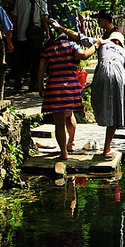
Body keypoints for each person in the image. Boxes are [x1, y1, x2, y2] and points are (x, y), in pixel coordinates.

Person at [37, 30, 97, 160]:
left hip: (53, 85)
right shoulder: (71, 45)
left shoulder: (48, 50)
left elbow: (41, 69)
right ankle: (72, 142)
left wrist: (40, 86)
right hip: (70, 84)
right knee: (69, 115)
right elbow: (84, 55)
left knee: (58, 123)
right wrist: (96, 45)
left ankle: (63, 153)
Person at [91, 30, 125, 159]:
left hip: (103, 73)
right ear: (121, 43)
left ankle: (102, 118)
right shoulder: (124, 52)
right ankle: (107, 148)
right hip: (120, 75)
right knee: (116, 110)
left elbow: (81, 38)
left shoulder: (102, 45)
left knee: (98, 100)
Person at [11, 0, 50, 91]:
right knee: (36, 60)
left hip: (21, 34)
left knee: (22, 59)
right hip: (35, 35)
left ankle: (19, 81)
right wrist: (47, 32)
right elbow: (44, 17)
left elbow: (15, 17)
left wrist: (16, 33)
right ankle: (33, 84)